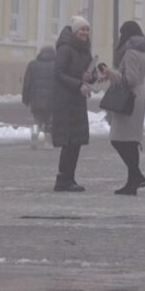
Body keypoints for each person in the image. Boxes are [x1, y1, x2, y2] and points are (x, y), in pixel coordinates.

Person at [101, 21, 145, 195]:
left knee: (119, 140)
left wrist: (110, 73)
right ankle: (132, 182)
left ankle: (136, 176)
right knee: (131, 142)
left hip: (129, 99)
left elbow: (130, 79)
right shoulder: (143, 51)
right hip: (138, 98)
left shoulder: (130, 53)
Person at [52, 15, 97, 192]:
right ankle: (62, 179)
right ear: (75, 31)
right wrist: (78, 84)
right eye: (82, 29)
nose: (85, 32)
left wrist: (91, 77)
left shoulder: (85, 50)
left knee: (76, 141)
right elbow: (58, 73)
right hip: (65, 101)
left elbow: (86, 73)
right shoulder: (65, 49)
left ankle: (70, 178)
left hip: (78, 100)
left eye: (87, 29)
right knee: (68, 141)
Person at [22, 45, 56, 149]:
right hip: (52, 99)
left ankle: (34, 138)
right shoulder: (57, 65)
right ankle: (48, 142)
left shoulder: (33, 65)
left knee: (37, 120)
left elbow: (27, 83)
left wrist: (25, 98)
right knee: (50, 121)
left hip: (36, 99)